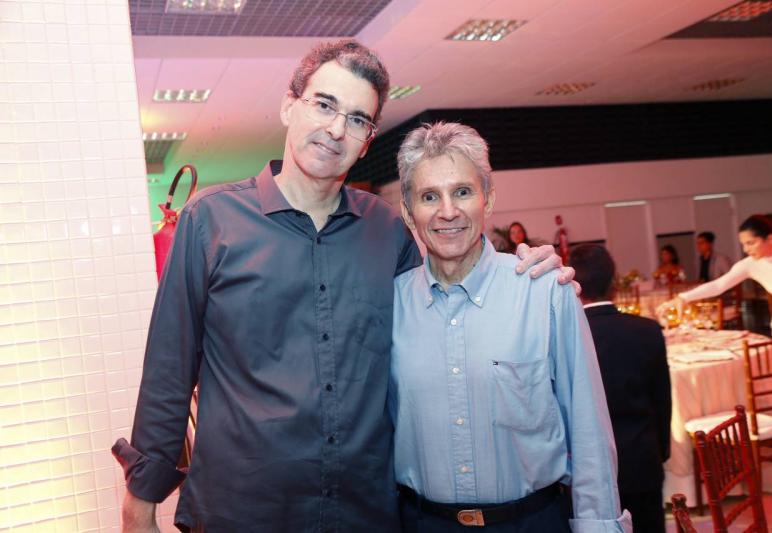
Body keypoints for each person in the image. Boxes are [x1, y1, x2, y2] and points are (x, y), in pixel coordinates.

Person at [112, 41, 571, 532]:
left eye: (357, 119)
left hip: (364, 511)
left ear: (367, 141)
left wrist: (518, 275)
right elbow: (169, 367)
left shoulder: (387, 230)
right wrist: (140, 504)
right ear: (289, 106)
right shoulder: (211, 221)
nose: (336, 129)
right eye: (325, 105)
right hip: (243, 510)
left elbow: (443, 319)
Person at [390, 122, 631, 532]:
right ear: (409, 211)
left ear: (488, 199)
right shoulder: (391, 304)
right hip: (422, 523)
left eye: (462, 192)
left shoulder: (544, 291)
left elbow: (588, 429)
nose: (447, 211)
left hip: (532, 521)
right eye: (429, 196)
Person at [570, 244, 671, 533]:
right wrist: (659, 451)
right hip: (641, 458)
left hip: (587, 470)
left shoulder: (566, 334)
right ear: (614, 283)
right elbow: (662, 402)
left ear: (575, 286)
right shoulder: (647, 330)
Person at [664, 214, 772, 338]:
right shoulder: (751, 264)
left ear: (770, 239)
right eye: (743, 244)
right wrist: (684, 297)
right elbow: (718, 285)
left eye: (751, 243)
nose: (746, 249)